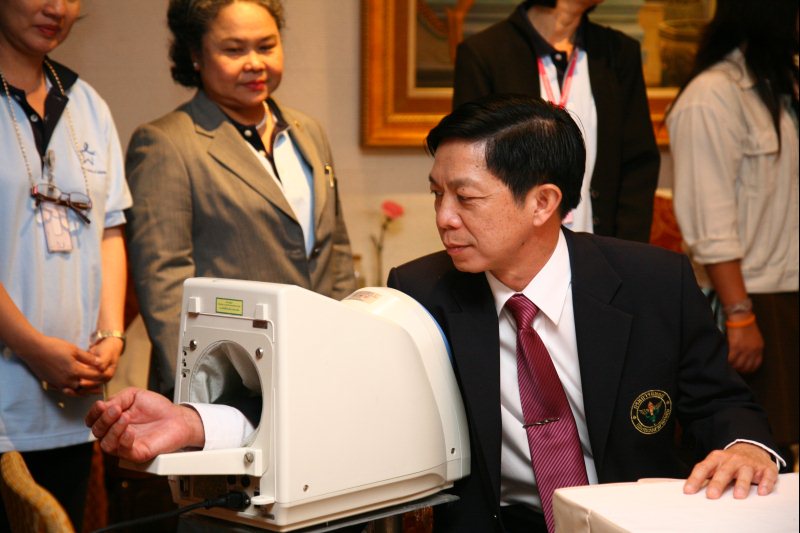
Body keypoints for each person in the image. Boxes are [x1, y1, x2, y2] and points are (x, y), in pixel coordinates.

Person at [87, 95, 781, 533]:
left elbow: (723, 402)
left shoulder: (653, 282)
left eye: (466, 198)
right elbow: (326, 402)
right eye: (435, 193)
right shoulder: (421, 291)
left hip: (626, 519)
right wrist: (197, 422)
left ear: (543, 203)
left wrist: (749, 447)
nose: (443, 218)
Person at [125, 0, 356, 396]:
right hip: (225, 381)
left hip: (316, 365)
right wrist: (200, 396)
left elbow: (335, 254)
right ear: (196, 55)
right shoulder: (165, 143)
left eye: (266, 46)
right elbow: (164, 286)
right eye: (234, 50)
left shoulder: (308, 131)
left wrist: (344, 347)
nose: (255, 63)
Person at [0, 0, 131, 530]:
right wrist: (33, 347)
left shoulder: (87, 103)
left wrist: (111, 334)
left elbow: (111, 228)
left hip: (69, 408)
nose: (56, 8)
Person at [666, 0, 798, 469]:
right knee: (758, 449)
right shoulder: (711, 95)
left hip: (786, 289)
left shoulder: (778, 87)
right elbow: (710, 219)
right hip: (750, 296)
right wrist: (740, 314)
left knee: (783, 449)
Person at [452, 0, 659, 243]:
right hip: (512, 249)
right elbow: (470, 165)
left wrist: (626, 252)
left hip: (601, 248)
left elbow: (638, 164)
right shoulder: (484, 54)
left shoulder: (619, 52)